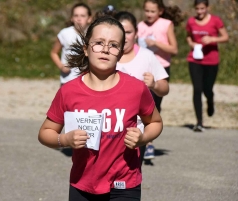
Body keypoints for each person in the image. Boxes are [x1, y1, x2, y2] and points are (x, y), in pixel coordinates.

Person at [38, 16, 163, 201]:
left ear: (120, 54)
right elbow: (45, 133)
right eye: (98, 43)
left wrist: (143, 138)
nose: (105, 49)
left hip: (124, 183)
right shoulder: (68, 91)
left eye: (113, 45)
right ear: (86, 49)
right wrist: (64, 139)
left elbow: (155, 122)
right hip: (83, 183)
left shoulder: (136, 89)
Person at [113, 11, 169, 163]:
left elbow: (165, 88)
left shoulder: (147, 56)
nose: (124, 37)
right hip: (108, 128)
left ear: (136, 33)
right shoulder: (106, 56)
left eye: (129, 32)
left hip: (136, 130)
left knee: (131, 174)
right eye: (120, 32)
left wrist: (154, 84)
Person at [137, 0, 182, 159]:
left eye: (152, 11)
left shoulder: (166, 24)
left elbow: (174, 49)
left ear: (160, 11)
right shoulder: (140, 26)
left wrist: (155, 43)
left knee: (154, 105)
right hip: (142, 68)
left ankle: (149, 142)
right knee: (140, 104)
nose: (149, 14)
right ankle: (141, 140)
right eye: (147, 11)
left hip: (160, 68)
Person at [186, 0, 229, 132]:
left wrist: (213, 39)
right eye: (197, 9)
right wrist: (192, 44)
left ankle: (210, 100)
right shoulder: (191, 22)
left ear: (207, 8)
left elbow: (225, 37)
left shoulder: (215, 21)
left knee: (207, 89)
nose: (200, 12)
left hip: (211, 60)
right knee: (197, 89)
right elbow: (188, 36)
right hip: (195, 59)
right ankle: (199, 122)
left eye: (202, 9)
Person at [50, 3, 92, 85]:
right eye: (76, 16)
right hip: (67, 80)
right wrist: (61, 66)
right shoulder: (64, 33)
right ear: (72, 18)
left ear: (89, 18)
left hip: (87, 80)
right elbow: (53, 53)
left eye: (83, 16)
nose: (79, 19)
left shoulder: (93, 34)